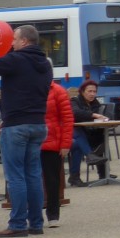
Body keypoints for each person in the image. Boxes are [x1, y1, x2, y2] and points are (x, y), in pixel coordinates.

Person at [0, 24, 53, 236]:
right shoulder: (45, 64)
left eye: (14, 40)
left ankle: (18, 225)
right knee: (33, 175)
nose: (10, 43)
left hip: (17, 125)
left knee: (16, 177)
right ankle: (36, 223)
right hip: (38, 123)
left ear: (23, 41)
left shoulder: (16, 60)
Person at [41, 79, 74, 227]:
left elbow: (67, 118)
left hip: (52, 142)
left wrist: (65, 144)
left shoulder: (58, 91)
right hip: (32, 142)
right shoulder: (28, 87)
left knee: (52, 180)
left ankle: (53, 214)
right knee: (31, 179)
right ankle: (34, 215)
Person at [69, 79, 112, 185]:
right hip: (73, 135)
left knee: (101, 136)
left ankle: (103, 173)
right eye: (90, 91)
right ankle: (89, 157)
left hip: (88, 135)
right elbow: (76, 113)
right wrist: (94, 115)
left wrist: (104, 118)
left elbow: (103, 113)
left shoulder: (95, 102)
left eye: (94, 91)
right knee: (76, 140)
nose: (92, 94)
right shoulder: (75, 101)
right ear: (82, 91)